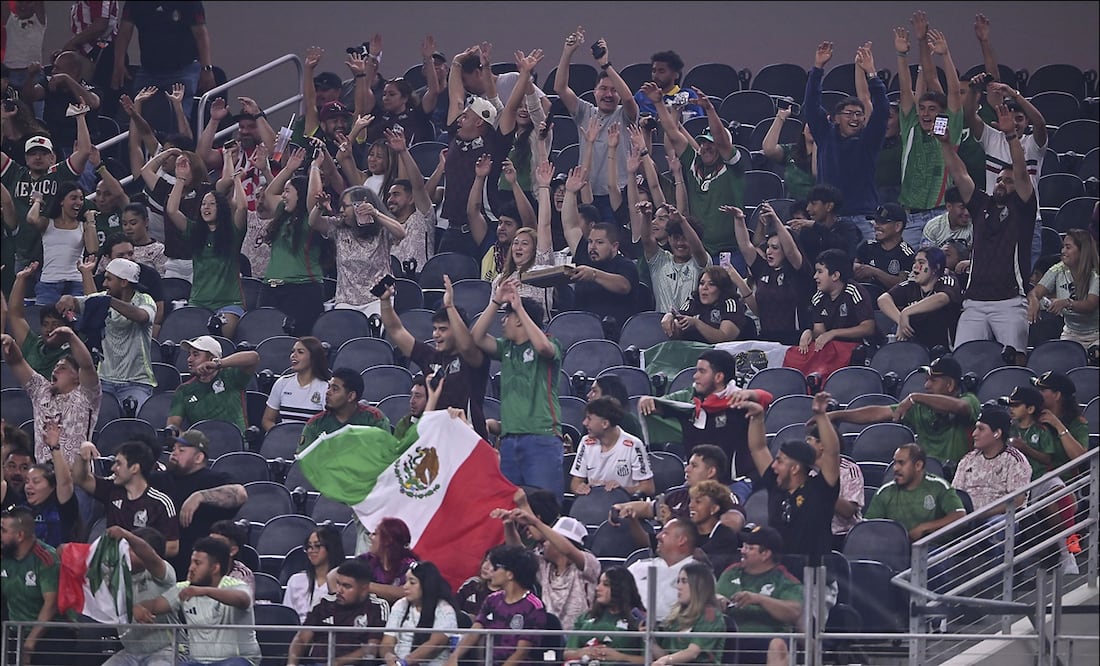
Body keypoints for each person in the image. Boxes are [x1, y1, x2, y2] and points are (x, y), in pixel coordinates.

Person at [938, 102, 1036, 351]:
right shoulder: (981, 204)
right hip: (974, 302)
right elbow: (960, 174)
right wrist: (945, 143)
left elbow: (1023, 173)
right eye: (1000, 179)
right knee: (963, 359)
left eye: (1008, 181)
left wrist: (1011, 136)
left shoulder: (1023, 208)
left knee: (1014, 364)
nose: (1002, 183)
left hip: (1011, 301)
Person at [470, 283, 564, 497]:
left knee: (544, 506)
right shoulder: (506, 348)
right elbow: (475, 337)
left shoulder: (550, 342)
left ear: (520, 320)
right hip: (510, 440)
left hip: (542, 437)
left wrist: (519, 307)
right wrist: (496, 301)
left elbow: (543, 348)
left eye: (507, 317)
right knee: (509, 508)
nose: (502, 322)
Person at [638, 350, 772, 498]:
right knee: (669, 503)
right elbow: (660, 405)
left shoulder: (739, 402)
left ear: (719, 377)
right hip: (699, 481)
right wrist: (647, 400)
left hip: (736, 482)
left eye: (702, 371)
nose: (695, 376)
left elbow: (766, 398)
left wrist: (751, 394)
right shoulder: (688, 401)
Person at [436, 45, 526, 258]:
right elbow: (456, 97)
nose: (460, 119)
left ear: (479, 122)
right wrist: (457, 62)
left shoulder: (494, 145)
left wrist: (525, 74)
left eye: (465, 116)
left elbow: (511, 108)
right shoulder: (455, 137)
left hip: (482, 228)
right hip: (450, 229)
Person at [382, 276, 490, 439]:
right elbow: (396, 330)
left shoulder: (473, 359)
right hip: (437, 440)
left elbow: (467, 346)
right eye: (434, 329)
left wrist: (450, 306)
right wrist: (385, 301)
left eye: (443, 329)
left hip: (469, 440)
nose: (435, 334)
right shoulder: (430, 356)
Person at [646, 81, 744, 260]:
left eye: (712, 143)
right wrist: (659, 103)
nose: (706, 147)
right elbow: (673, 134)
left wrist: (709, 110)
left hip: (730, 251)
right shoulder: (694, 162)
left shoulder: (733, 167)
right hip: (698, 250)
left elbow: (722, 141)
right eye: (704, 142)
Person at [829, 355, 980, 469]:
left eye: (933, 380)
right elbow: (877, 413)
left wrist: (915, 397)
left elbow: (960, 407)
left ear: (950, 385)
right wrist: (837, 415)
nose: (926, 385)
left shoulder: (970, 399)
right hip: (924, 476)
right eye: (927, 379)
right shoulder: (920, 406)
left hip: (958, 474)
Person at [802, 41, 889, 233]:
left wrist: (872, 74)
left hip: (862, 219)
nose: (855, 118)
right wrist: (817, 69)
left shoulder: (869, 140)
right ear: (836, 118)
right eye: (849, 113)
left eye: (859, 114)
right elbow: (810, 106)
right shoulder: (825, 135)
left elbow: (882, 110)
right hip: (829, 219)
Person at [1, 113, 92, 295]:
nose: (38, 157)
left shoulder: (59, 174)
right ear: (26, 158)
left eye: (43, 153)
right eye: (33, 154)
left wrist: (80, 118)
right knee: (22, 305)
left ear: (52, 157)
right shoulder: (15, 173)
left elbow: (84, 152)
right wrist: (2, 120)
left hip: (53, 252)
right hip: (22, 249)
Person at [745, 391, 840, 562]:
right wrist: (757, 417)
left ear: (795, 468)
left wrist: (820, 415)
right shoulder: (776, 484)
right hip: (780, 575)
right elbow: (758, 448)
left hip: (814, 577)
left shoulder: (821, 489)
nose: (773, 466)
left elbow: (832, 453)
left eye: (780, 461)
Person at [554, 28, 638, 222]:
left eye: (613, 90)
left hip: (619, 194)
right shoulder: (586, 111)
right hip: (587, 194)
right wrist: (568, 52)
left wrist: (605, 65)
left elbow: (628, 98)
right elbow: (559, 88)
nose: (608, 94)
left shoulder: (624, 114)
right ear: (594, 92)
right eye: (603, 89)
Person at [894, 18, 964, 247]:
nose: (925, 113)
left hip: (941, 215)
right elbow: (906, 90)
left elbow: (954, 92)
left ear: (941, 113)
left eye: (932, 109)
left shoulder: (947, 130)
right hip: (911, 218)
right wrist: (902, 56)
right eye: (922, 108)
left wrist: (945, 55)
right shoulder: (911, 128)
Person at [138, 536, 262, 666]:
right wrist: (139, 607)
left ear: (215, 568)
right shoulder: (185, 588)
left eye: (197, 563)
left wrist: (205, 591)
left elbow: (243, 599)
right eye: (191, 562)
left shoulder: (236, 585)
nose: (191, 568)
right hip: (198, 662)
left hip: (238, 660)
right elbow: (156, 604)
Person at [165, 150, 248, 339]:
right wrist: (180, 179)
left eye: (212, 204)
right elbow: (172, 210)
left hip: (228, 303)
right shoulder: (195, 232)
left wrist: (237, 181)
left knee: (219, 343)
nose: (206, 207)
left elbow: (242, 207)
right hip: (198, 303)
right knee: (197, 347)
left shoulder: (233, 234)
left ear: (222, 208)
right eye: (203, 204)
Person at [60, 257, 157, 411]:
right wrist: (68, 299)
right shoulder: (102, 299)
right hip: (103, 381)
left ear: (124, 282)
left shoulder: (145, 300)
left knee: (136, 425)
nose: (104, 284)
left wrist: (109, 301)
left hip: (137, 382)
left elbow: (141, 316)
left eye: (109, 279)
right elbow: (78, 303)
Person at [111, 1, 215, 134]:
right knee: (134, 117)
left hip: (183, 69)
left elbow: (201, 34)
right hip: (149, 70)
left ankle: (180, 151)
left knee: (179, 121)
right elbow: (125, 31)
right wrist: (119, 63)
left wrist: (206, 68)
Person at [1, 326, 100, 464]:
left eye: (63, 368)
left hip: (76, 477)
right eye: (56, 367)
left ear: (77, 377)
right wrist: (10, 343)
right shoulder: (41, 391)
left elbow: (87, 366)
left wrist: (71, 337)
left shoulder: (86, 395)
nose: (56, 369)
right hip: (44, 476)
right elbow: (17, 362)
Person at [495, 505, 599, 631]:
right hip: (548, 634)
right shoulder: (545, 566)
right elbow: (516, 552)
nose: (544, 543)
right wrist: (508, 524)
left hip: (578, 637)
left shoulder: (589, 564)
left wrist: (535, 522)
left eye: (548, 540)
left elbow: (567, 550)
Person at [159, 429, 247, 579]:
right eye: (173, 449)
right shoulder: (160, 479)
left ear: (198, 457)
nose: (174, 453)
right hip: (162, 568)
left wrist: (200, 496)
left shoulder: (212, 480)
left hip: (198, 570)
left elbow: (240, 494)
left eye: (182, 450)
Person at [257, 152, 327, 338]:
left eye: (288, 191)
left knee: (297, 343)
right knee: (266, 341)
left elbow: (313, 197)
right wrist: (288, 169)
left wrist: (314, 167)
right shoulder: (282, 213)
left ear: (301, 194)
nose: (284, 195)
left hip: (302, 290)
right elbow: (270, 193)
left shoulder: (312, 219)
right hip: (270, 290)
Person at [72, 439, 180, 558]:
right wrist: (83, 453)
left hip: (144, 569)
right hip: (113, 565)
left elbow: (173, 546)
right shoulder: (111, 489)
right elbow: (80, 479)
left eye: (119, 464)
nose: (113, 468)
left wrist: (137, 554)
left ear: (134, 468)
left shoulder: (160, 503)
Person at [445, 544, 547, 666]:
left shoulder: (534, 607)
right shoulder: (492, 600)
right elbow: (475, 631)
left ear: (510, 574)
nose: (492, 571)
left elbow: (521, 653)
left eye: (496, 568)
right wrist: (455, 656)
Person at [716, 525, 803, 665]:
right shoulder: (731, 572)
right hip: (731, 637)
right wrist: (718, 599)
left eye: (749, 548)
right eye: (743, 546)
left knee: (778, 645)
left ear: (766, 554)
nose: (742, 551)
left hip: (766, 639)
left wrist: (759, 599)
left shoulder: (785, 580)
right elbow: (712, 596)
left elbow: (794, 612)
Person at [731, 202, 815, 345]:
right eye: (768, 247)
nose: (769, 251)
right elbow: (745, 246)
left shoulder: (799, 270)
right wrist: (739, 219)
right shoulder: (763, 269)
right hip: (765, 339)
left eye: (775, 248)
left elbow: (791, 251)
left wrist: (776, 221)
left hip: (794, 341)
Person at [1, 507, 75, 666]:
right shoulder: (4, 556)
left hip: (51, 633)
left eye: (3, 530)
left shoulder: (46, 559)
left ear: (20, 535)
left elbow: (51, 604)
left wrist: (29, 644)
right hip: (15, 630)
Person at [288, 559, 390, 666]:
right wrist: (291, 664)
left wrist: (336, 663)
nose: (339, 590)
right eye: (338, 583)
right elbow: (302, 638)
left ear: (364, 589)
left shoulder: (377, 606)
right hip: (317, 662)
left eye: (346, 586)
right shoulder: (324, 603)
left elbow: (372, 649)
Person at [101, 525, 178, 666]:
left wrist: (127, 535)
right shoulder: (115, 575)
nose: (126, 552)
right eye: (126, 547)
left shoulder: (162, 573)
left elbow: (151, 558)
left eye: (132, 549)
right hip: (130, 653)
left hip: (166, 650)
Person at [865, 443, 966, 542]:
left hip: (933, 548)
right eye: (895, 463)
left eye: (901, 463)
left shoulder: (939, 486)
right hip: (894, 550)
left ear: (918, 465)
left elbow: (959, 516)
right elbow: (868, 527)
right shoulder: (885, 491)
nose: (895, 468)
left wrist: (924, 527)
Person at [952, 404, 1031, 522]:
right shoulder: (968, 459)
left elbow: (1017, 501)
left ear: (997, 433)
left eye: (981, 429)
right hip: (966, 519)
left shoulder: (1015, 461)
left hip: (999, 521)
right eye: (976, 428)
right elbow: (955, 495)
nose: (974, 434)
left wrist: (980, 515)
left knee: (996, 525)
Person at [167, 335, 260, 434]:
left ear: (211, 358)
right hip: (202, 446)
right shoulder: (184, 390)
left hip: (236, 444)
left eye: (196, 354)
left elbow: (254, 357)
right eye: (189, 354)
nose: (189, 359)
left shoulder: (232, 376)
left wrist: (218, 364)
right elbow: (173, 426)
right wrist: (188, 443)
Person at [26, 180, 99, 305]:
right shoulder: (47, 223)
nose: (79, 202)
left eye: (81, 198)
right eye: (73, 198)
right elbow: (32, 219)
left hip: (76, 283)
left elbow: (92, 249)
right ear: (61, 201)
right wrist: (38, 201)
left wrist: (90, 221)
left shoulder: (84, 226)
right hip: (48, 284)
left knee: (77, 322)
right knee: (47, 322)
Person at [879, 246, 964, 349]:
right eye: (915, 262)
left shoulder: (947, 280)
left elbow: (942, 298)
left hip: (942, 350)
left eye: (921, 263)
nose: (915, 266)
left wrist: (907, 312)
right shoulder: (911, 285)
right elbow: (883, 299)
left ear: (935, 268)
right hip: (914, 349)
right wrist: (901, 321)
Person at [563, 219, 640, 332]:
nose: (592, 247)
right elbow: (569, 224)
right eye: (590, 242)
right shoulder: (585, 265)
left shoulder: (625, 265)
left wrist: (594, 275)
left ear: (614, 246)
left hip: (616, 333)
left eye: (599, 242)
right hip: (581, 332)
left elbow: (623, 286)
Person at [1027, 229, 1099, 349]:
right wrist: (1034, 300)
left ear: (1082, 251)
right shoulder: (1058, 269)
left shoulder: (1096, 274)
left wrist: (1066, 303)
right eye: (1063, 247)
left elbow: (1090, 305)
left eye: (1068, 247)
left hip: (1096, 334)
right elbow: (1035, 292)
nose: (1062, 251)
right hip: (1071, 333)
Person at [570, 396, 655, 497]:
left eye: (589, 419)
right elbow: (576, 482)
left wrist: (621, 490)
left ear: (605, 424)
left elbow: (649, 488)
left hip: (625, 506)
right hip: (593, 504)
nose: (584, 423)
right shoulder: (586, 442)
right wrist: (580, 488)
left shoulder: (634, 445)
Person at [799, 248, 878, 356]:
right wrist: (809, 333)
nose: (815, 276)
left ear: (835, 275)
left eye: (820, 271)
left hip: (863, 351)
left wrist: (833, 333)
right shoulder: (818, 298)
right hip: (834, 352)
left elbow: (868, 328)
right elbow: (820, 332)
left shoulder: (854, 291)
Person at [4, 263, 78, 377]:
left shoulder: (76, 349)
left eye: (56, 324)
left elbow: (97, 307)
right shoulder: (33, 345)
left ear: (68, 328)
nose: (49, 329)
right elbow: (15, 315)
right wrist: (21, 278)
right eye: (45, 324)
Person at [380, 561, 459, 666]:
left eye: (412, 582)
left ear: (426, 585)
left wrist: (405, 662)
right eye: (406, 581)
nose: (405, 586)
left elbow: (435, 644)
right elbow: (387, 642)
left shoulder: (445, 610)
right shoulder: (401, 604)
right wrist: (388, 656)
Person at [803, 416, 864, 551]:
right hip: (813, 535)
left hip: (843, 536)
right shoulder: (804, 471)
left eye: (809, 440)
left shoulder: (849, 470)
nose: (805, 444)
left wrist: (821, 486)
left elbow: (848, 511)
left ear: (823, 445)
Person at [563, 566, 645, 665]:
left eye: (606, 584)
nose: (598, 588)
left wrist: (620, 657)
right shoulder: (586, 617)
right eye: (599, 583)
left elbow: (650, 660)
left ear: (620, 589)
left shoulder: (639, 619)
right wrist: (581, 652)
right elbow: (566, 653)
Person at [648, 561, 726, 666]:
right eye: (678, 581)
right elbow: (666, 655)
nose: (678, 586)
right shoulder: (676, 615)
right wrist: (649, 640)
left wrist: (666, 660)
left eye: (684, 581)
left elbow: (692, 652)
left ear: (698, 585)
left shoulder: (711, 615)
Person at [625, 518, 697, 624]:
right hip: (630, 628)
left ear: (681, 540)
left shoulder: (699, 574)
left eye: (665, 533)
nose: (658, 536)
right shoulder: (638, 567)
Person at [298, 368, 390, 451]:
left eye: (335, 389)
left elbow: (384, 455)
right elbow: (304, 460)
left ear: (351, 396)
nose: (328, 392)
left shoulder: (374, 419)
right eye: (329, 387)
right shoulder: (316, 424)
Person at [21, 420, 81, 546]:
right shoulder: (20, 509)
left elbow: (64, 482)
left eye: (36, 481)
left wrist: (55, 447)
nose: (29, 486)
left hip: (56, 563)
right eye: (27, 481)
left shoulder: (63, 507)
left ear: (52, 486)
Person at [384, 130, 436, 272]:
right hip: (390, 282)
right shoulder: (387, 225)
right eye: (389, 195)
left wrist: (403, 152)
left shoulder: (422, 217)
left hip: (418, 279)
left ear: (411, 198)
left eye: (396, 194)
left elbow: (418, 185)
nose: (390, 199)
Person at [662, 266, 752, 344]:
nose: (704, 288)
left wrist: (696, 323)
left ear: (722, 288)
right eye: (701, 283)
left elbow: (724, 338)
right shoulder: (692, 301)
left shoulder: (731, 304)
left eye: (711, 284)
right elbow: (678, 325)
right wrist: (670, 317)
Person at [262, 336, 331, 432]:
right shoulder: (282, 383)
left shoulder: (326, 388)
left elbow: (329, 426)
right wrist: (279, 436)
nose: (293, 355)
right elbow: (267, 420)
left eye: (300, 352)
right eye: (293, 351)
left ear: (313, 357)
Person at [284, 525, 345, 623]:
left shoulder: (344, 582)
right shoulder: (295, 580)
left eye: (317, 546)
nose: (311, 551)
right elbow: (287, 618)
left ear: (331, 547)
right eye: (309, 546)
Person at [792, 184, 862, 265]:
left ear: (829, 206)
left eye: (813, 203)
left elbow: (846, 251)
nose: (808, 208)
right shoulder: (807, 231)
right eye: (808, 203)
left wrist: (817, 227)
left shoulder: (847, 228)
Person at [356, 516, 418, 604]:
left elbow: (406, 592)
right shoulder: (365, 560)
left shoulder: (409, 566)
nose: (370, 537)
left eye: (375, 534)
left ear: (387, 540)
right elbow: (337, 576)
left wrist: (364, 585)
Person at [855, 203, 916, 292]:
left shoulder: (907, 254)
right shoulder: (867, 246)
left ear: (897, 226)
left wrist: (874, 272)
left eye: (882, 222)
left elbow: (903, 284)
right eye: (876, 221)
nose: (876, 226)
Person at [687, 480, 743, 574]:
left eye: (698, 502)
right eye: (691, 501)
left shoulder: (725, 537)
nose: (691, 506)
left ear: (714, 509)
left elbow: (705, 564)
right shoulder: (688, 531)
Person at [1031, 371, 1090, 458]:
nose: (1037, 394)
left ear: (1057, 395)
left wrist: (1057, 425)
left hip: (1064, 471)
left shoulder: (1077, 423)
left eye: (1042, 390)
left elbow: (1079, 458)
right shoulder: (1031, 417)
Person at [762, 107, 815, 201]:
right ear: (803, 129)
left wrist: (820, 139)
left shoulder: (831, 155)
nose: (813, 127)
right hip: (792, 207)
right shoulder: (791, 150)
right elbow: (769, 149)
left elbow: (817, 173)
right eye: (811, 123)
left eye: (818, 124)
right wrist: (780, 117)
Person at [633, 49, 702, 119]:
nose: (656, 75)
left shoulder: (689, 95)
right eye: (654, 71)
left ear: (676, 74)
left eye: (661, 71)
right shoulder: (642, 95)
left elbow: (696, 123)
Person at [208, 519, 254, 594]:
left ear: (233, 551)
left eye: (218, 543)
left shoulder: (242, 575)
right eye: (210, 541)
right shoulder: (200, 566)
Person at [122, 202, 168, 276]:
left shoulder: (159, 250)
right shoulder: (120, 247)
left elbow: (162, 280)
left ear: (146, 222)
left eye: (133, 223)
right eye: (125, 224)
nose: (128, 228)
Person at [456, 546, 503, 618]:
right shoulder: (471, 584)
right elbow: (453, 609)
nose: (485, 566)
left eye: (492, 564)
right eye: (486, 560)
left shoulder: (507, 596)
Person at [393, 375, 428, 441]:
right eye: (411, 395)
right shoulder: (404, 424)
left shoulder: (440, 425)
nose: (412, 401)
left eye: (418, 396)